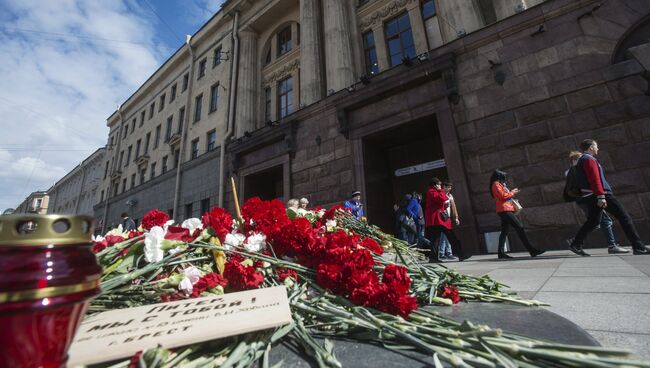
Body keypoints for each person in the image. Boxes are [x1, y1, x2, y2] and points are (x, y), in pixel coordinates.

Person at [568, 139, 649, 256]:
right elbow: (594, 178)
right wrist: (601, 196)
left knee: (593, 221)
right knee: (624, 217)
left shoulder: (583, 160)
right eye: (596, 146)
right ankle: (638, 246)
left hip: (592, 195)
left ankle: (576, 244)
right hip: (600, 194)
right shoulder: (589, 159)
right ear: (591, 147)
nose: (597, 149)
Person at [566, 151, 628, 254]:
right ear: (574, 160)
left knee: (596, 222)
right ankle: (611, 245)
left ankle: (576, 242)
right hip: (588, 198)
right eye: (580, 158)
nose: (582, 160)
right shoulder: (574, 170)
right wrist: (600, 195)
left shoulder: (575, 170)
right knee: (603, 221)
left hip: (587, 199)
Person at [490, 170, 545, 259]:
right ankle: (532, 250)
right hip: (504, 210)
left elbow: (504, 196)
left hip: (505, 209)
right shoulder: (496, 184)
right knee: (519, 228)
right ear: (499, 177)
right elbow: (503, 196)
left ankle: (501, 253)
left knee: (504, 232)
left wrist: (511, 192)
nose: (505, 179)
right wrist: (513, 192)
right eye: (503, 177)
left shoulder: (498, 184)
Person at [425, 178, 469, 262]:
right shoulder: (431, 192)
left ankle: (434, 258)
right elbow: (442, 198)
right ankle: (460, 254)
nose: (440, 186)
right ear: (435, 185)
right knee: (447, 237)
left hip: (439, 220)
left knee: (440, 238)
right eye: (439, 184)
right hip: (437, 220)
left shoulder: (434, 191)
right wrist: (441, 191)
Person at [438, 182, 459, 261]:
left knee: (446, 236)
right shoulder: (440, 195)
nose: (450, 189)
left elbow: (453, 207)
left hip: (448, 217)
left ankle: (446, 253)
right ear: (444, 187)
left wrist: (456, 217)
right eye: (448, 187)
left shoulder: (450, 196)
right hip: (442, 217)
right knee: (444, 236)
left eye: (450, 187)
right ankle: (443, 253)